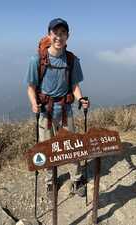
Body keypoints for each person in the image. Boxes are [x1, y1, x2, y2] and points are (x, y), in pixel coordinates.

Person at [25, 18, 90, 197]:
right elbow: (31, 87)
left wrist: (81, 98)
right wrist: (33, 103)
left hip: (65, 109)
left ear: (67, 36)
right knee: (46, 147)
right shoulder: (37, 60)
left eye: (62, 34)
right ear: (49, 35)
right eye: (55, 33)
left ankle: (77, 179)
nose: (58, 37)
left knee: (72, 146)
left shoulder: (71, 60)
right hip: (45, 111)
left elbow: (75, 85)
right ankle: (50, 181)